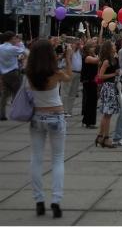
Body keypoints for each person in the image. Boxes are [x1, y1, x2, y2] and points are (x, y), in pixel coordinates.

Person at [25, 39, 72, 218]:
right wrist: (68, 58)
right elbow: (69, 77)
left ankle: (39, 200)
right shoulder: (56, 73)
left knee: (36, 158)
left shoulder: (29, 74)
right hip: (56, 116)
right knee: (58, 159)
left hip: (37, 117)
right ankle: (56, 200)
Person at [96, 41, 120, 148]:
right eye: (113, 46)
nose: (115, 46)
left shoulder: (114, 59)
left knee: (107, 114)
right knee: (107, 114)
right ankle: (105, 137)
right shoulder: (106, 61)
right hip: (108, 87)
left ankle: (100, 136)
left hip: (112, 86)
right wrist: (113, 74)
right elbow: (100, 76)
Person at [0, 31, 26, 120]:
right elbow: (23, 51)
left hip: (4, 73)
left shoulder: (0, 47)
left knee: (4, 95)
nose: (16, 39)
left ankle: (2, 114)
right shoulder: (12, 48)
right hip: (14, 73)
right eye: (15, 38)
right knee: (18, 93)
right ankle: (17, 113)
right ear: (11, 39)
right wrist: (20, 42)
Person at [80, 42, 99, 129]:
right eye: (92, 47)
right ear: (88, 49)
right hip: (88, 81)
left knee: (93, 101)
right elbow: (97, 60)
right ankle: (88, 121)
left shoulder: (92, 56)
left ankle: (89, 121)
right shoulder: (87, 57)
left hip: (93, 81)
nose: (94, 48)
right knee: (90, 101)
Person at [61, 40, 83, 117]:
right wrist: (71, 48)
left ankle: (69, 111)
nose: (77, 45)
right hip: (69, 72)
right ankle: (64, 110)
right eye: (76, 44)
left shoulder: (80, 51)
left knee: (73, 93)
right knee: (65, 92)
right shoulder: (69, 50)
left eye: (78, 44)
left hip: (77, 73)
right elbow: (68, 60)